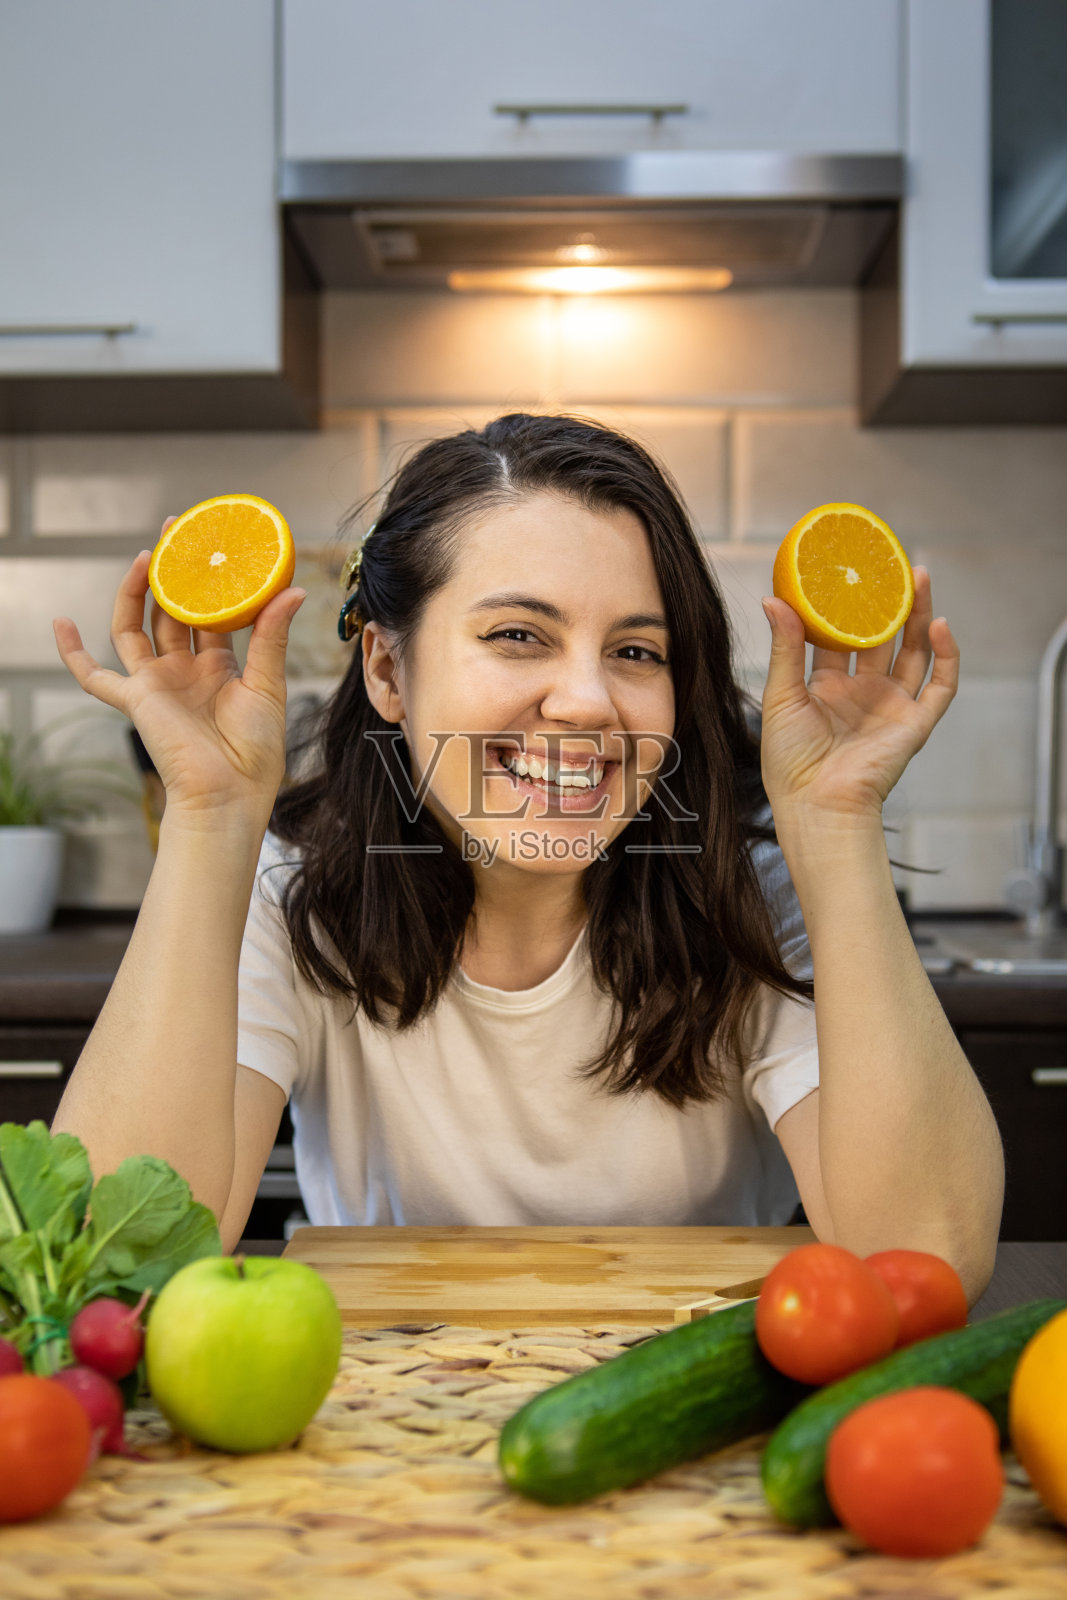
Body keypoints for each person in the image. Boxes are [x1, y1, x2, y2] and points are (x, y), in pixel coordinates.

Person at [50, 413, 1004, 1302]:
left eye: (637, 652)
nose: (587, 702)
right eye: (517, 636)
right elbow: (111, 1269)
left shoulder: (751, 899)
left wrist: (835, 826)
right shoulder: (289, 896)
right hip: (371, 1421)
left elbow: (918, 1264)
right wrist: (211, 816)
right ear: (387, 669)